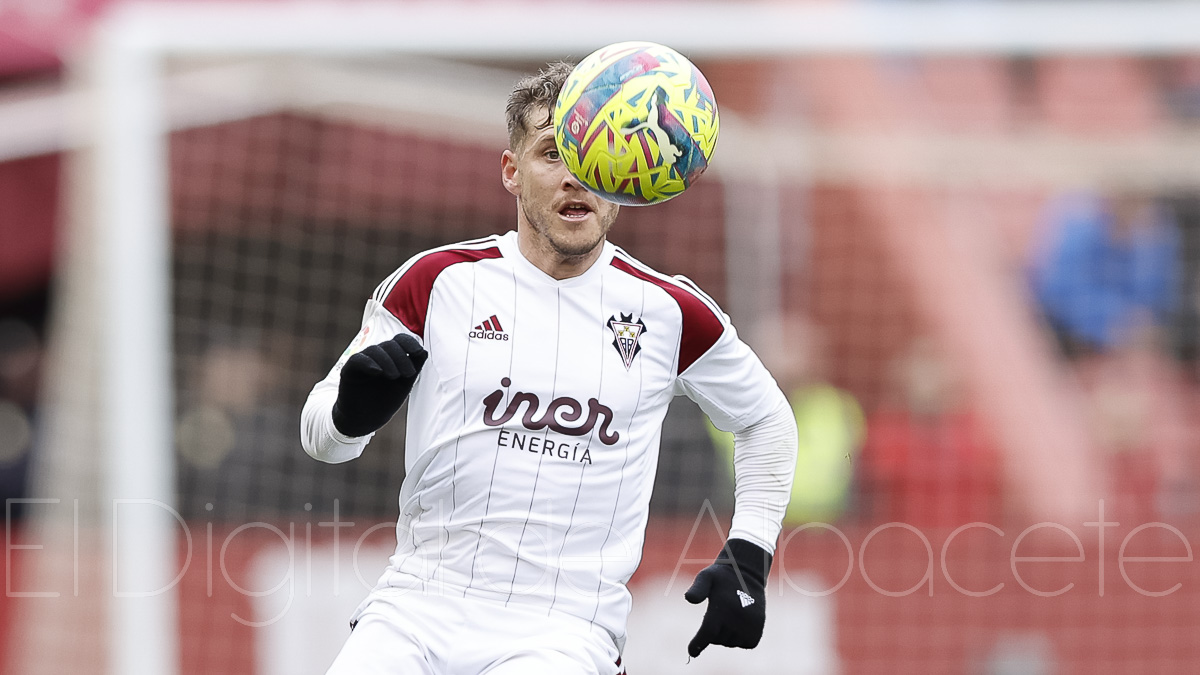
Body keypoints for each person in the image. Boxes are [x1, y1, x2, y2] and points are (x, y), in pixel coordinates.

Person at [301, 61, 798, 675]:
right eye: (553, 153)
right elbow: (321, 438)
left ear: (626, 174)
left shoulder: (670, 311)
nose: (576, 174)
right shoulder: (437, 281)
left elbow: (767, 421)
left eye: (597, 151)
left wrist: (750, 551)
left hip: (565, 628)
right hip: (417, 606)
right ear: (511, 171)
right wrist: (350, 416)